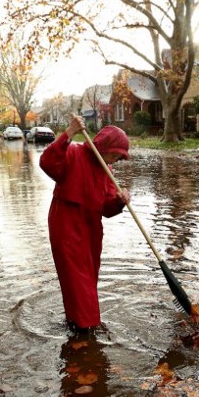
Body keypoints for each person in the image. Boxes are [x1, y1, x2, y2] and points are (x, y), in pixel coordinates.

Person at [39, 115, 131, 331]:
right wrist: (69, 133)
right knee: (77, 280)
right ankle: (87, 329)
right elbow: (47, 163)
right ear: (106, 147)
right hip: (66, 226)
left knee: (87, 281)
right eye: (117, 155)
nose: (117, 161)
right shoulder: (73, 152)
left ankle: (77, 322)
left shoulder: (107, 171)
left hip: (91, 229)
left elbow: (106, 209)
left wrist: (119, 201)